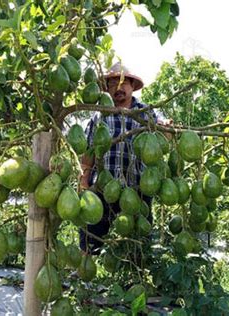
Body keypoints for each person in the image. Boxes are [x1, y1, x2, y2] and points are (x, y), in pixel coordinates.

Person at [79, 62, 162, 254]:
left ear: (132, 86)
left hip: (138, 189)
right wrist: (84, 182)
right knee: (90, 236)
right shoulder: (99, 116)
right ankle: (83, 272)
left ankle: (137, 277)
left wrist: (165, 127)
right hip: (103, 188)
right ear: (106, 89)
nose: (118, 88)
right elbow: (88, 152)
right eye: (113, 83)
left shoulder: (146, 112)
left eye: (123, 83)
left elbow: (161, 138)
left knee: (139, 243)